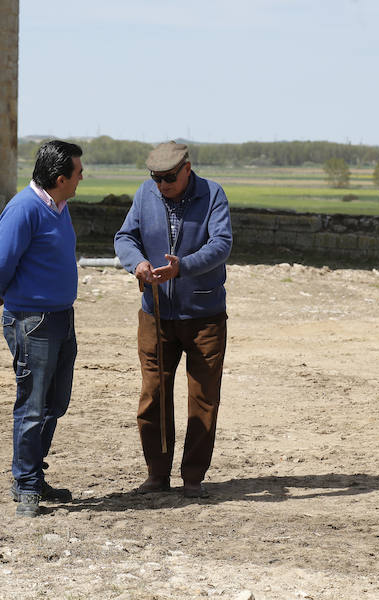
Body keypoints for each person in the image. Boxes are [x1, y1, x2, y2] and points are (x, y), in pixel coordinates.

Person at [114, 141, 232, 498]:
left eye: (168, 178)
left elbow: (222, 243)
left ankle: (193, 477)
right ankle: (156, 475)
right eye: (156, 178)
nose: (162, 185)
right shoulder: (145, 194)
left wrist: (184, 268)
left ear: (187, 169)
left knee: (203, 397)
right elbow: (125, 237)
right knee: (154, 394)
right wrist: (137, 263)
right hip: (156, 314)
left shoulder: (212, 194)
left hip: (204, 315)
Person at [0, 140, 83, 517]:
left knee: (55, 402)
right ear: (60, 178)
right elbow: (1, 264)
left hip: (60, 317)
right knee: (33, 404)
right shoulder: (23, 209)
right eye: (78, 172)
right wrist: (4, 290)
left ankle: (32, 476)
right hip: (33, 322)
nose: (82, 178)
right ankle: (25, 485)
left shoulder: (58, 206)